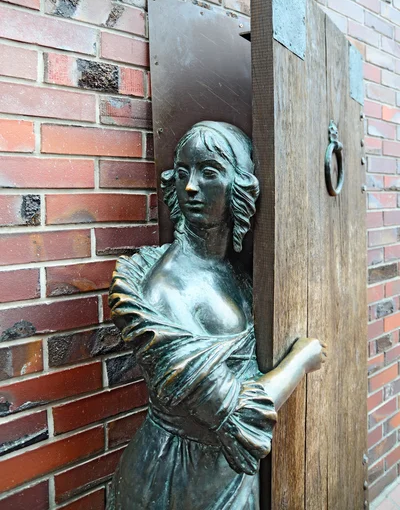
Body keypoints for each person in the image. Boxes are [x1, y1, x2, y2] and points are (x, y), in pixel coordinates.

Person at [108, 121, 327, 510]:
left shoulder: (236, 276)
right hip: (177, 477)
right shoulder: (167, 290)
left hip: (222, 475)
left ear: (238, 187)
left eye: (208, 172)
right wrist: (302, 358)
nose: (191, 186)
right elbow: (242, 413)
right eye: (182, 173)